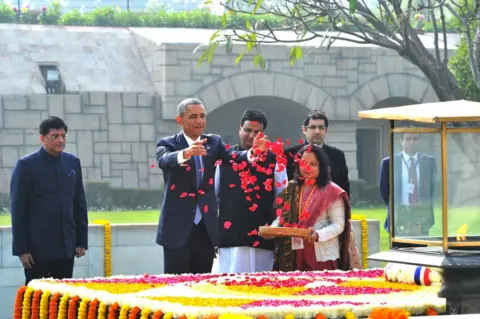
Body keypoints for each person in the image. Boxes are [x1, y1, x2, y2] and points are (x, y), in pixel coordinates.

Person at [155, 98, 268, 274]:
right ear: (180, 120)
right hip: (176, 228)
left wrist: (252, 152)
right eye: (193, 116)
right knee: (176, 284)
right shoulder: (168, 144)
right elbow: (164, 160)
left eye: (202, 116)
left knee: (202, 284)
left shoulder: (213, 142)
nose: (199, 121)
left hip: (206, 229)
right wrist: (187, 153)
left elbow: (232, 157)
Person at [10, 116, 88, 285]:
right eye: (55, 136)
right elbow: (18, 209)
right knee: (37, 302)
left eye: (63, 136)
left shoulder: (72, 162)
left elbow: (79, 203)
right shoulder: (26, 165)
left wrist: (82, 241)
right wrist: (22, 250)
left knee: (63, 300)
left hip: (66, 247)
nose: (61, 140)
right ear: (42, 138)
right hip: (37, 250)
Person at [262, 144, 360, 271]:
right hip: (293, 255)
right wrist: (273, 230)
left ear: (321, 166)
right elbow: (282, 218)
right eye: (303, 163)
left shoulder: (332, 191)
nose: (307, 168)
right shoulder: (291, 188)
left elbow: (338, 225)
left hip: (322, 255)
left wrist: (318, 234)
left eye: (313, 164)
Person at [212, 110, 287, 274]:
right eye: (247, 130)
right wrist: (212, 235)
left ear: (263, 134)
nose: (251, 135)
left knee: (259, 288)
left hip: (261, 238)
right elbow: (213, 198)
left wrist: (275, 227)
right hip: (229, 238)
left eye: (257, 132)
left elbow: (283, 199)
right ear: (240, 129)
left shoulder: (274, 160)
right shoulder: (224, 159)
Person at [379, 132, 436, 246]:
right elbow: (384, 189)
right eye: (408, 139)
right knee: (400, 255)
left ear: (419, 141)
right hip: (399, 215)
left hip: (421, 215)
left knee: (420, 255)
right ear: (401, 141)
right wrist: (396, 207)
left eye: (414, 139)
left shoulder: (429, 161)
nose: (411, 142)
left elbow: (431, 188)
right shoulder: (388, 163)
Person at [285, 110, 350, 197]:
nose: (317, 131)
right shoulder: (289, 155)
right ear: (304, 129)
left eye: (321, 127)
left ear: (326, 130)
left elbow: (344, 189)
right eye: (312, 127)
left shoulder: (338, 156)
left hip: (330, 207)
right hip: (299, 207)